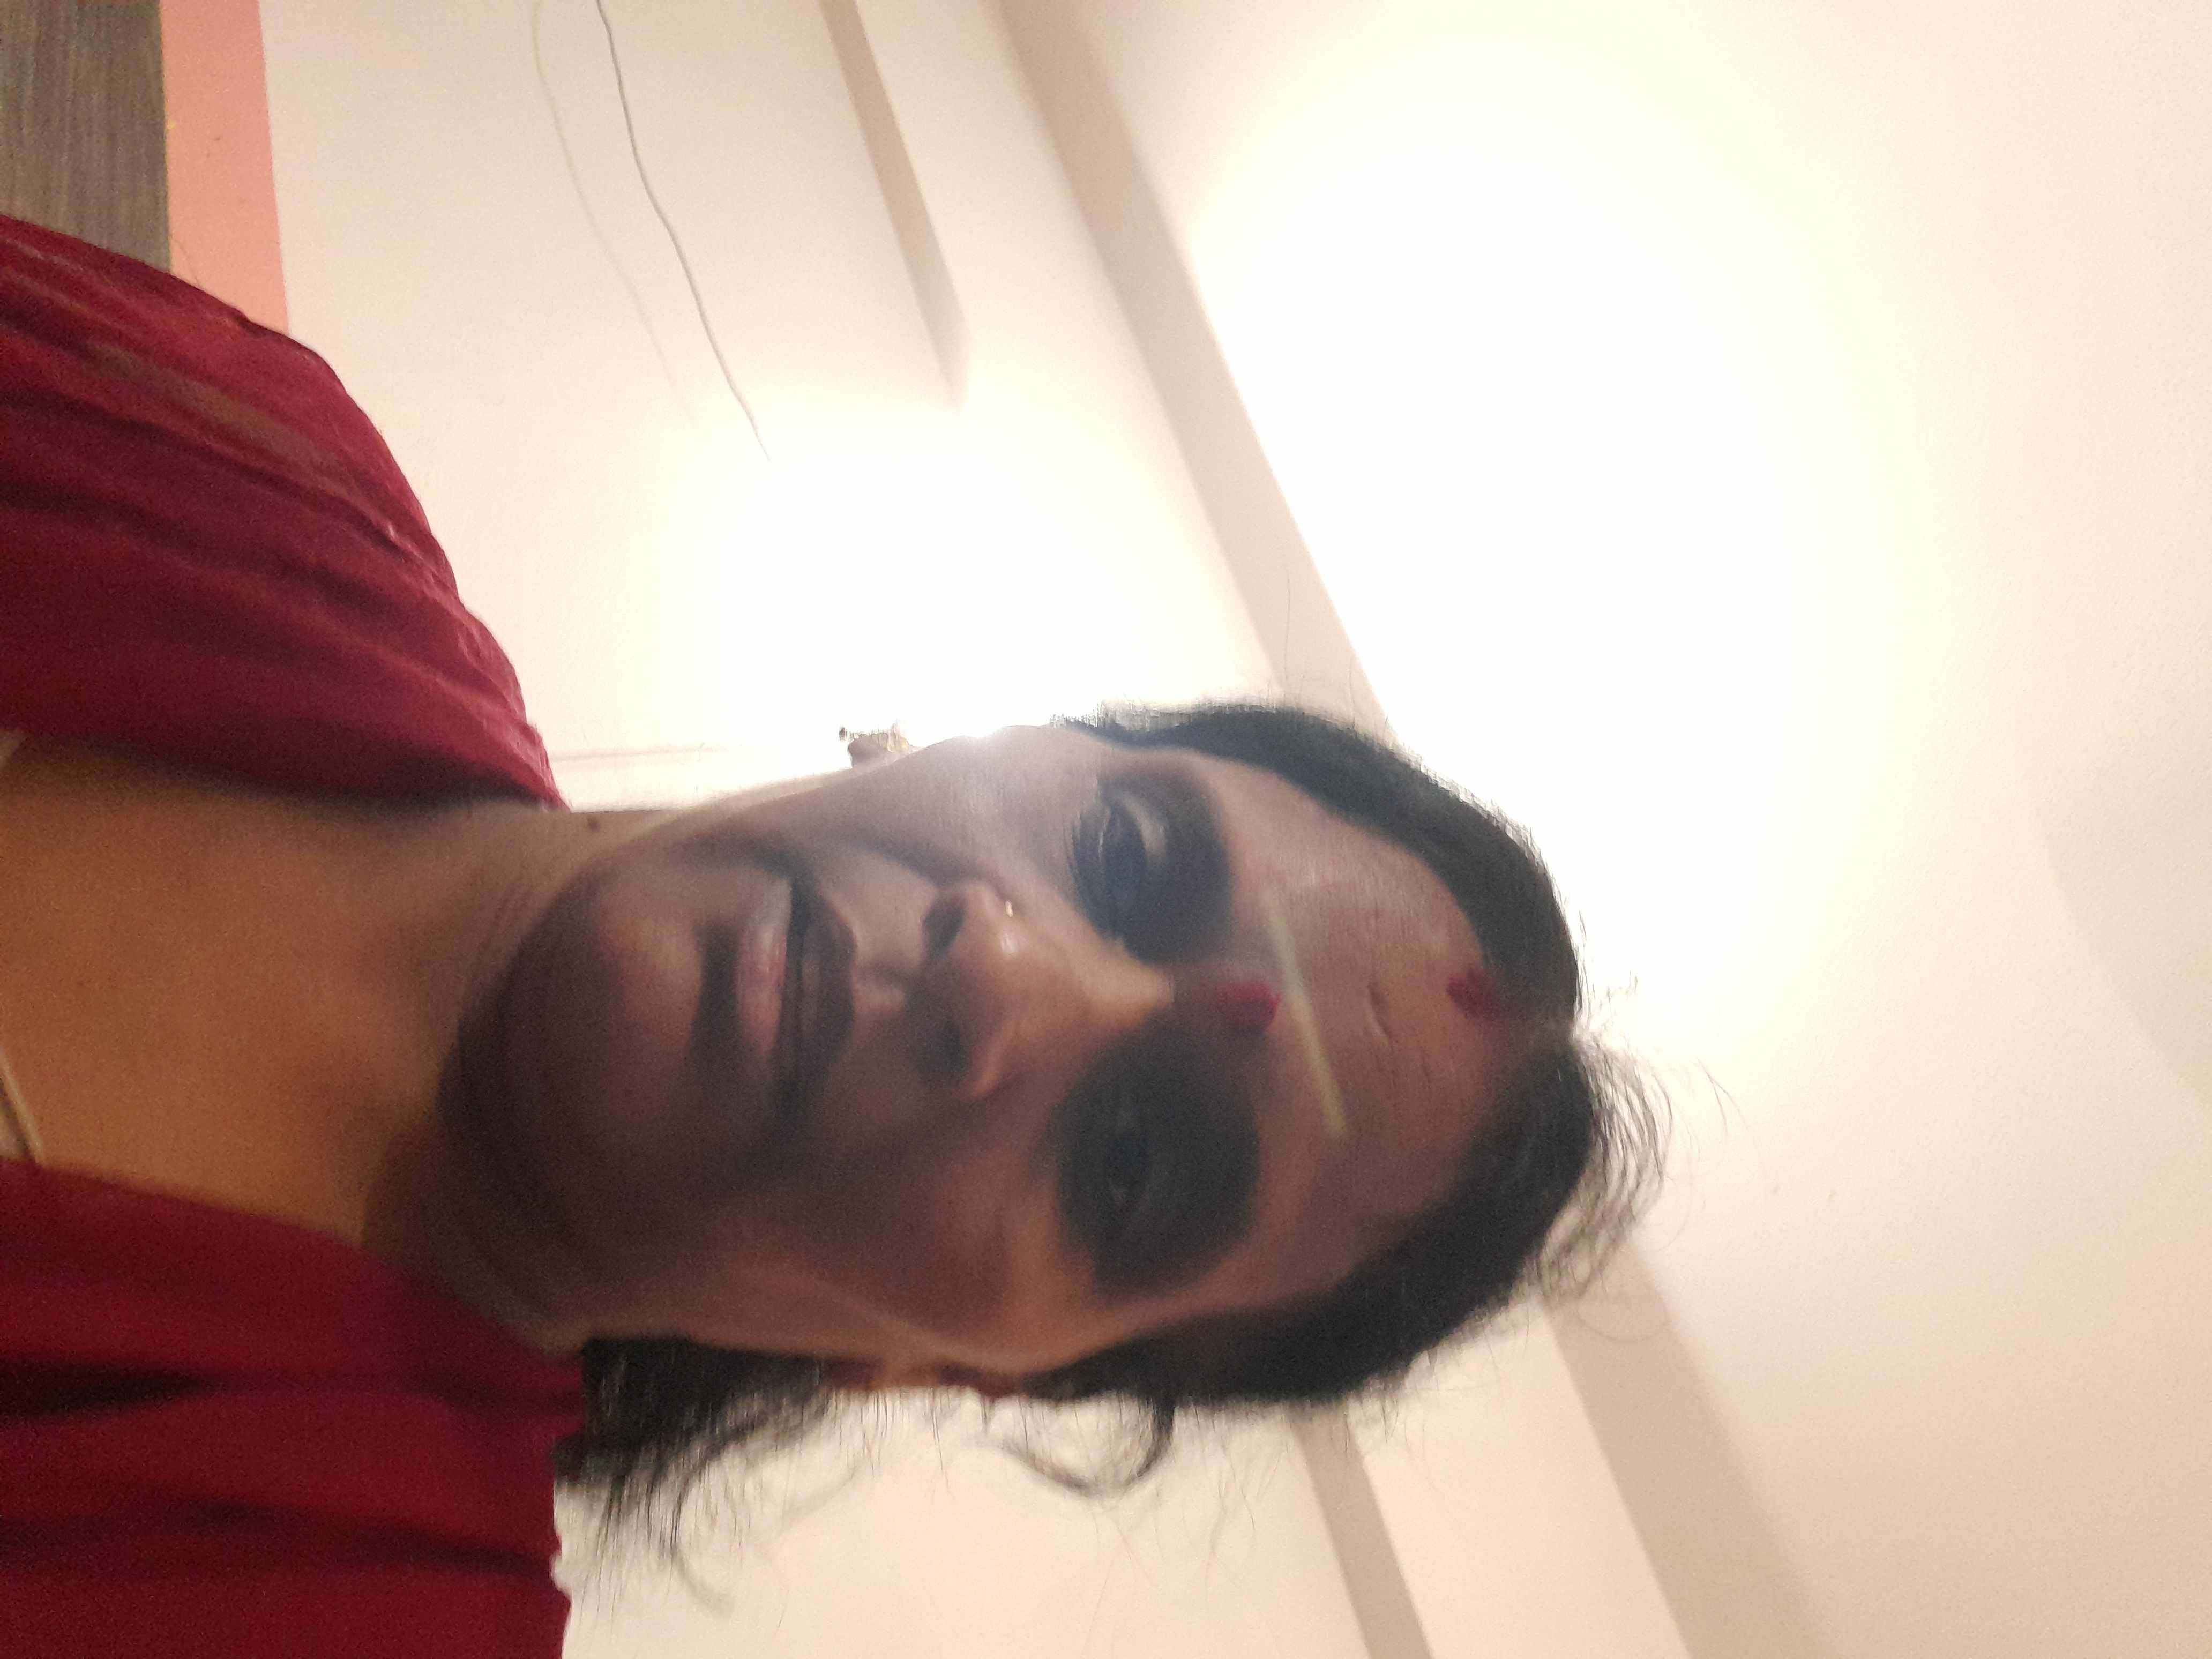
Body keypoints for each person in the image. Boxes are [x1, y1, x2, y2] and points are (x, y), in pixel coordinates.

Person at [0, 214, 1654, 1654]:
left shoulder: (316, 1612)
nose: (1005, 978)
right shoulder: (240, 459)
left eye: (1133, 1165)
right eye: (1126, 853)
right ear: (967, 734)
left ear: (947, 1374)